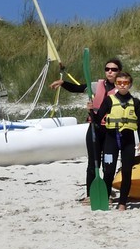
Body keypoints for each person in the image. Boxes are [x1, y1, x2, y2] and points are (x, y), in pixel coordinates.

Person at [51, 57, 122, 203]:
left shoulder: (121, 88)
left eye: (114, 69)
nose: (110, 72)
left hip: (111, 132)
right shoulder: (97, 85)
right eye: (107, 69)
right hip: (95, 129)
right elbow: (78, 88)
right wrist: (63, 83)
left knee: (109, 166)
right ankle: (90, 195)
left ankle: (106, 194)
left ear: (119, 72)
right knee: (93, 164)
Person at [95, 71, 140, 210]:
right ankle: (105, 199)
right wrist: (89, 111)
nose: (122, 86)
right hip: (110, 141)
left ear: (130, 85)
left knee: (127, 171)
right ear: (116, 84)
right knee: (109, 171)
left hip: (128, 141)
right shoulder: (109, 100)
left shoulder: (135, 102)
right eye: (119, 83)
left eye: (125, 83)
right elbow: (97, 120)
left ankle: (122, 203)